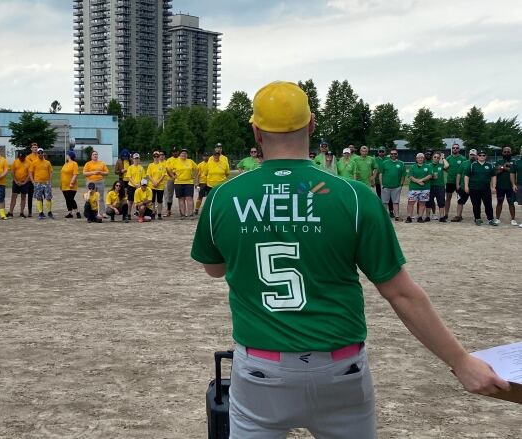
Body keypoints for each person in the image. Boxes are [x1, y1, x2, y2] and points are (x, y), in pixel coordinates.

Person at [191, 80, 509, 438]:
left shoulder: (223, 197)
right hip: (339, 368)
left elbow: (214, 269)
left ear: (256, 131)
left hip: (261, 366)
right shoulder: (353, 197)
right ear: (312, 125)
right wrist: (461, 361)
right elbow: (401, 292)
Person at [465, 150, 498, 226]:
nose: (482, 157)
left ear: (486, 156)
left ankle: (490, 219)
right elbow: (467, 176)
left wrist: (493, 187)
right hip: (474, 188)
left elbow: (493, 176)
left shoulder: (490, 165)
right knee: (476, 204)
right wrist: (466, 186)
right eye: (480, 155)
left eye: (483, 155)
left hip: (485, 188)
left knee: (488, 204)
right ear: (477, 156)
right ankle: (477, 218)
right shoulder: (472, 165)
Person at [168, 149, 198, 219]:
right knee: (181, 199)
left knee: (189, 198)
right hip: (178, 182)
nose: (184, 155)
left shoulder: (190, 161)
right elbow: (168, 169)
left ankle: (190, 214)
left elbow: (196, 169)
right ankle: (183, 215)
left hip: (189, 182)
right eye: (182, 153)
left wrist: (194, 175)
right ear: (180, 154)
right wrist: (173, 176)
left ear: (187, 155)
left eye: (185, 153)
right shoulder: (176, 161)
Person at [378, 148, 406, 220]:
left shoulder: (401, 163)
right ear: (389, 154)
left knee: (396, 202)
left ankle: (397, 216)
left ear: (397, 154)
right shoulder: (385, 163)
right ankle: (384, 216)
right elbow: (381, 174)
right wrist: (381, 184)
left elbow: (403, 175)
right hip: (386, 186)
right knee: (384, 202)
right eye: (392, 154)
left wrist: (401, 185)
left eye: (395, 154)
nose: (393, 155)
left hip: (396, 187)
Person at [405, 153, 433, 223]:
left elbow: (430, 175)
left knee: (422, 203)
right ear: (416, 159)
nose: (420, 159)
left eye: (421, 158)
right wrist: (418, 181)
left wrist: (421, 180)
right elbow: (410, 176)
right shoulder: (412, 167)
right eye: (418, 158)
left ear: (423, 159)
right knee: (410, 203)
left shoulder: (428, 166)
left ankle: (420, 217)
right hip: (414, 188)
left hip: (425, 188)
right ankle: (409, 217)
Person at [451, 149, 477, 222]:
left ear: (476, 155)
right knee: (460, 201)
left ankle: (477, 217)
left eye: (474, 155)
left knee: (475, 202)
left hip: (474, 187)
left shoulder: (478, 164)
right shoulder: (464, 163)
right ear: (469, 155)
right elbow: (459, 174)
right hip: (463, 186)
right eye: (471, 155)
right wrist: (457, 184)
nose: (472, 156)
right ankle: (458, 216)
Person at [493, 146, 517, 225]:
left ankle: (513, 219)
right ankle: (497, 218)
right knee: (499, 202)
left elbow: (514, 171)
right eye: (505, 152)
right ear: (502, 153)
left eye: (508, 152)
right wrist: (504, 167)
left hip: (511, 186)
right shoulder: (498, 161)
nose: (506, 153)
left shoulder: (514, 162)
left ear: (511, 153)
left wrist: (503, 168)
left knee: (511, 203)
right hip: (500, 186)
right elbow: (495, 172)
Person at [83, 150, 109, 217]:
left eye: (96, 154)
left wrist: (101, 172)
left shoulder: (101, 163)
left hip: (100, 182)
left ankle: (102, 212)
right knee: (91, 198)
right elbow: (84, 173)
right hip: (91, 182)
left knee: (101, 198)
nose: (95, 155)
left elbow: (107, 172)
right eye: (94, 154)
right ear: (91, 156)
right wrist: (93, 172)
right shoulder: (88, 164)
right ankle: (92, 212)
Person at [29, 147, 54, 220]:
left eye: (41, 152)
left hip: (46, 183)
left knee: (48, 198)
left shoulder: (47, 162)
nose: (40, 154)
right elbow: (30, 172)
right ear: (37, 154)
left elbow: (51, 172)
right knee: (39, 198)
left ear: (43, 153)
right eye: (39, 153)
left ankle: (49, 212)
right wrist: (33, 181)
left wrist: (50, 181)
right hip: (37, 183)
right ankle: (40, 213)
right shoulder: (34, 162)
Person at [444, 143, 465, 220]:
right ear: (452, 149)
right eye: (453, 148)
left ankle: (459, 215)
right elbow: (444, 167)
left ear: (459, 149)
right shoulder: (448, 158)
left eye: (456, 148)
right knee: (448, 198)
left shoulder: (463, 158)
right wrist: (449, 172)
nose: (455, 149)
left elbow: (465, 169)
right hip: (450, 181)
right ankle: (446, 214)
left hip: (459, 182)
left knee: (460, 199)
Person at [428, 152, 450, 222]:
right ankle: (427, 216)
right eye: (435, 157)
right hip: (430, 185)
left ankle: (442, 217)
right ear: (432, 157)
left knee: (441, 202)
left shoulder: (440, 165)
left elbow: (447, 165)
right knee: (429, 202)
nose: (436, 158)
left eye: (438, 157)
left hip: (440, 186)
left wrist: (443, 158)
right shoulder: (428, 165)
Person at [146, 150, 167, 220]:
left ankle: (159, 213)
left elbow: (163, 175)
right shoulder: (150, 165)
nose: (156, 157)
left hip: (160, 185)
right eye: (154, 156)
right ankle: (153, 212)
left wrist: (157, 182)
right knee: (152, 200)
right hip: (152, 185)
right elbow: (149, 175)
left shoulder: (162, 165)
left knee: (160, 200)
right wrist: (154, 182)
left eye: (157, 156)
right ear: (153, 157)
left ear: (159, 157)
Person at [10, 150, 30, 218]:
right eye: (20, 157)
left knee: (23, 197)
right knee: (13, 197)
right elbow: (12, 172)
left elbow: (29, 174)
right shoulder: (15, 162)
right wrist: (16, 181)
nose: (21, 158)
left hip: (25, 182)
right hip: (16, 182)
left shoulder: (28, 162)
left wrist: (25, 182)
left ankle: (21, 212)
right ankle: (10, 212)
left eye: (22, 157)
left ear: (25, 156)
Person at [125, 153, 145, 221]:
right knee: (130, 201)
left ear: (139, 159)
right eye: (135, 158)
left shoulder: (141, 168)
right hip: (131, 186)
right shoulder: (130, 167)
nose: (136, 160)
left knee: (138, 201)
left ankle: (139, 214)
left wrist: (139, 185)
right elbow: (129, 177)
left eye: (137, 158)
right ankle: (128, 214)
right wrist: (135, 184)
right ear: (133, 159)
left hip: (139, 187)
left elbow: (143, 178)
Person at [61, 150, 80, 218]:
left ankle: (77, 212)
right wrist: (61, 184)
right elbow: (63, 174)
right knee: (67, 199)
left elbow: (75, 174)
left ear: (70, 156)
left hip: (71, 185)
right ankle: (70, 213)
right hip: (64, 186)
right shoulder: (65, 164)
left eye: (67, 155)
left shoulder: (74, 163)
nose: (66, 156)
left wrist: (72, 182)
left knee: (70, 199)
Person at [375, 147, 392, 215]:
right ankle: (382, 211)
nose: (381, 153)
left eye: (383, 151)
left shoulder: (388, 159)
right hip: (378, 181)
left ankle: (391, 211)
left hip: (387, 181)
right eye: (380, 151)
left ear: (385, 152)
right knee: (380, 196)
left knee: (390, 197)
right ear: (378, 152)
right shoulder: (375, 160)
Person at [24, 142, 40, 217]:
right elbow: (29, 167)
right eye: (33, 147)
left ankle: (41, 211)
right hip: (31, 180)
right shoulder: (28, 157)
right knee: (30, 196)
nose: (35, 148)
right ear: (31, 149)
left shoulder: (40, 155)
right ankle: (30, 212)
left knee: (39, 196)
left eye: (36, 147)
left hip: (38, 179)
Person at [164, 148, 179, 216]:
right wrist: (173, 176)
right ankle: (168, 210)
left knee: (180, 195)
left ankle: (182, 210)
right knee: (170, 195)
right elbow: (168, 169)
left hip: (179, 179)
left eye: (176, 152)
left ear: (178, 152)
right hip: (171, 178)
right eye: (173, 152)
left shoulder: (180, 159)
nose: (175, 153)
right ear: (172, 153)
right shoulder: (169, 160)